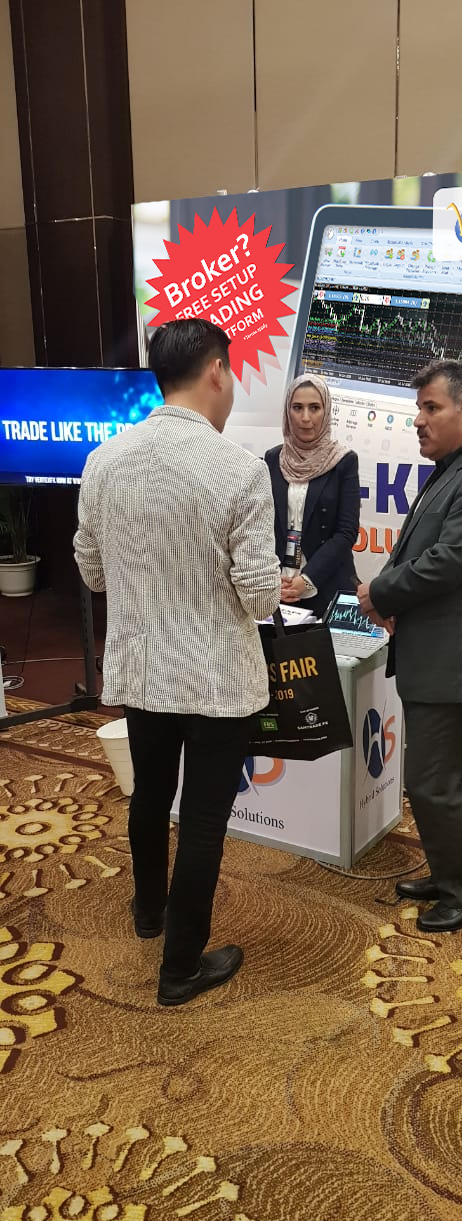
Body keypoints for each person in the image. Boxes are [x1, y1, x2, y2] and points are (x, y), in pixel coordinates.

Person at [74, 319, 281, 1006]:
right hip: (218, 679)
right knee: (202, 821)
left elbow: (92, 571)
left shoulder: (104, 461)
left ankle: (148, 912)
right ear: (217, 370)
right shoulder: (241, 470)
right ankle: (180, 968)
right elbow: (258, 597)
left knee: (149, 796)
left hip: (142, 673)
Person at [358, 359, 462, 933]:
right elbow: (415, 550)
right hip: (434, 655)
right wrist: (386, 591)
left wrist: (380, 592)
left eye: (432, 408)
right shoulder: (453, 468)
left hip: (456, 662)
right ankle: (450, 871)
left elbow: (447, 563)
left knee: (435, 780)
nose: (419, 421)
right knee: (431, 777)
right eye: (419, 409)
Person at [264, 373, 360, 617]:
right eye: (297, 407)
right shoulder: (273, 459)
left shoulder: (343, 461)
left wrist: (307, 579)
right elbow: (263, 524)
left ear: (326, 412)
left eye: (314, 408)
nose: (305, 418)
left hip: (325, 585)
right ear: (288, 412)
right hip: (278, 587)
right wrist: (274, 576)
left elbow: (346, 532)